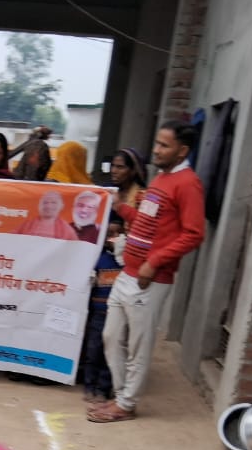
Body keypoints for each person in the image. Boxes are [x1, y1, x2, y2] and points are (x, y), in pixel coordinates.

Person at [90, 120, 205, 423]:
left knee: (138, 345)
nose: (156, 150)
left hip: (149, 278)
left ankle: (126, 404)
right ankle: (120, 397)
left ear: (182, 151)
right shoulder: (162, 179)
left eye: (164, 145)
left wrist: (154, 263)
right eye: (157, 143)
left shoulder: (188, 184)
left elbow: (194, 234)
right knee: (111, 336)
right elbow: (148, 220)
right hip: (128, 271)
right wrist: (122, 208)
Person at [80, 216, 125, 404]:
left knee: (111, 354)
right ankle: (89, 387)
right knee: (93, 352)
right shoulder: (98, 259)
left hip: (118, 315)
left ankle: (103, 389)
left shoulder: (126, 262)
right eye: (109, 233)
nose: (112, 237)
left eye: (117, 233)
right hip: (98, 314)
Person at [110, 146, 148, 216]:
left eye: (120, 167)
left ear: (133, 171)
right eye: (112, 165)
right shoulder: (108, 192)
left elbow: (143, 221)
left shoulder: (142, 197)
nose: (113, 171)